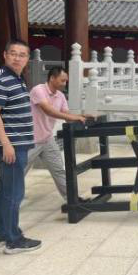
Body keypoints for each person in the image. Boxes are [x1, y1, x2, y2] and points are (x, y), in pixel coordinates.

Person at [0, 40, 41, 254]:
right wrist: (6, 144)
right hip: (12, 146)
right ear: (5, 55)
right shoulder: (0, 80)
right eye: (13, 53)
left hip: (17, 143)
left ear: (27, 59)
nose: (17, 58)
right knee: (14, 193)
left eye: (22, 54)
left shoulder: (16, 79)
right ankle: (13, 240)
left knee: (5, 191)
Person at [26, 66, 87, 199]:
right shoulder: (38, 90)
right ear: (52, 78)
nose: (65, 83)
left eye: (66, 81)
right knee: (17, 173)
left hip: (47, 139)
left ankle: (72, 199)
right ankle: (3, 204)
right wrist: (75, 117)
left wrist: (82, 117)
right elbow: (49, 111)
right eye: (62, 80)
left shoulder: (60, 96)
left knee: (59, 169)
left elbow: (67, 115)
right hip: (30, 140)